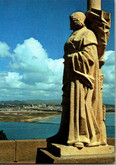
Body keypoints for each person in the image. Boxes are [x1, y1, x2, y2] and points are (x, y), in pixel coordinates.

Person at [48, 12, 107, 149]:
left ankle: (82, 136)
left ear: (80, 20)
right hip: (71, 75)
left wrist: (72, 57)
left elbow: (90, 56)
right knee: (67, 103)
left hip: (80, 78)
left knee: (80, 105)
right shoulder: (74, 34)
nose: (71, 23)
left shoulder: (88, 34)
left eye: (73, 20)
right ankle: (66, 134)